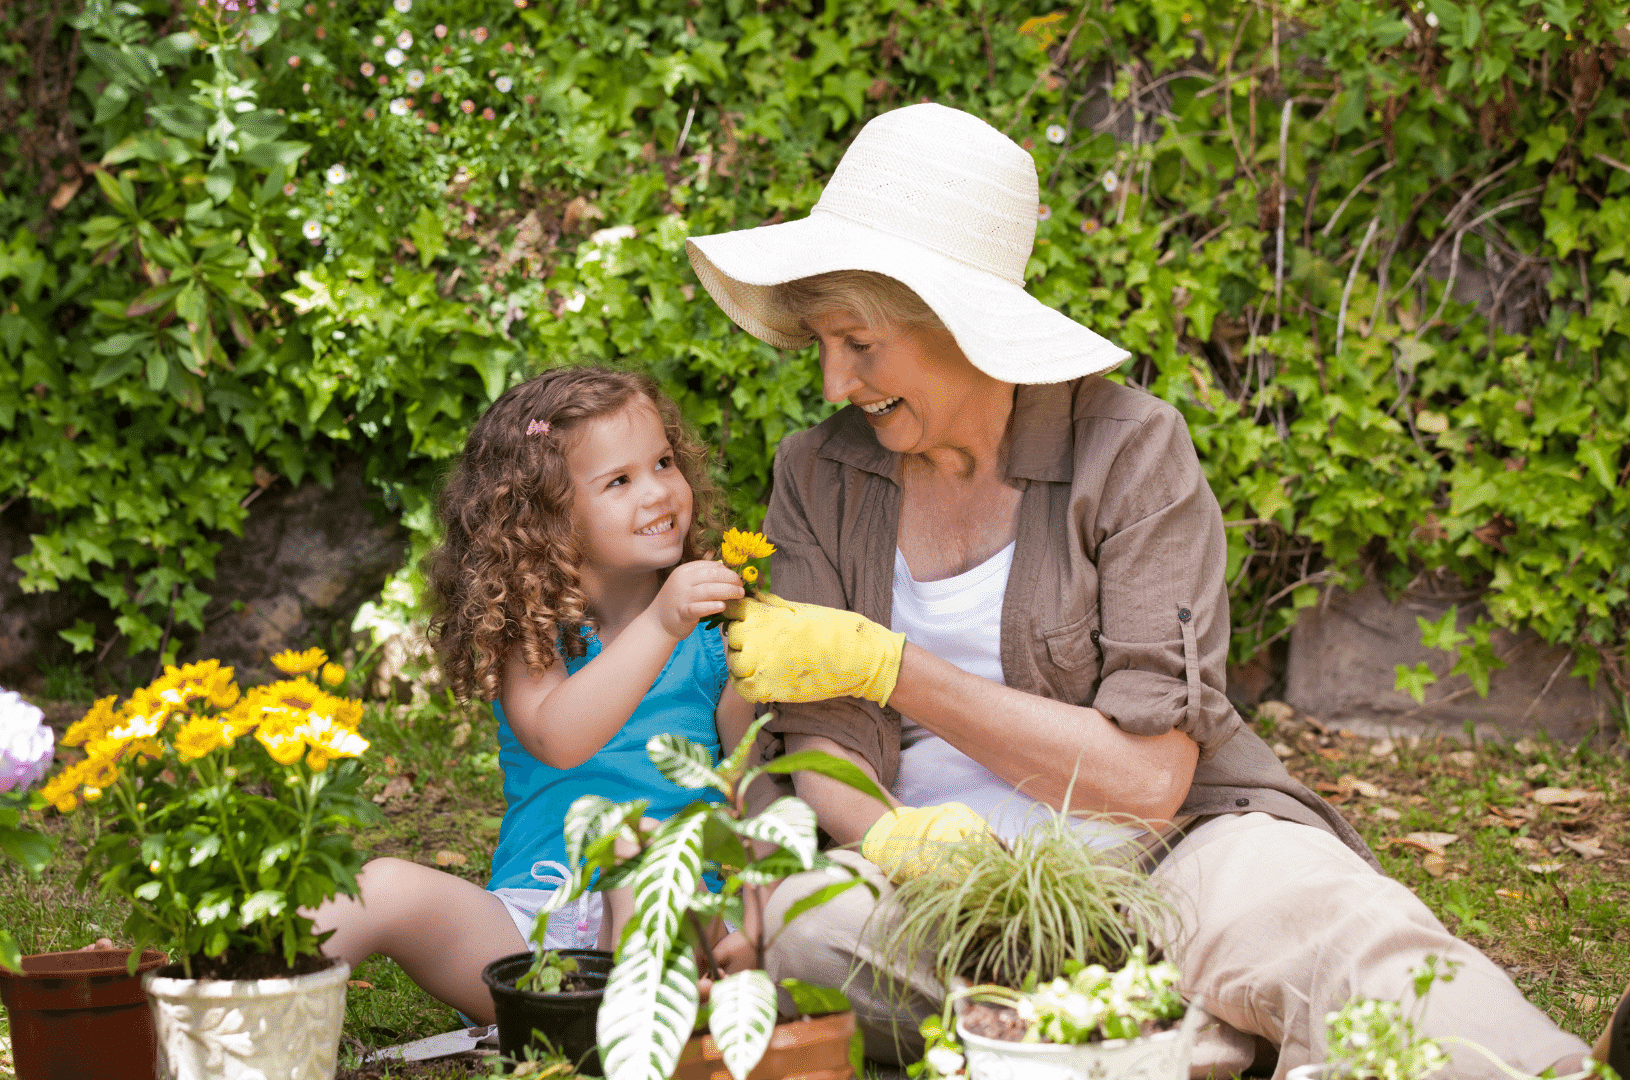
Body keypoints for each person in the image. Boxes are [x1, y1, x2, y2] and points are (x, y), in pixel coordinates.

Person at [685, 102, 1626, 1078]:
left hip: (1161, 856)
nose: (834, 381)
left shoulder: (1130, 451)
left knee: (1322, 911)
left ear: (959, 324)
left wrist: (896, 669)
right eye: (822, 344)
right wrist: (901, 843)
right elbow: (819, 742)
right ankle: (1183, 1027)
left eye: (859, 343)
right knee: (807, 929)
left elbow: (1146, 782)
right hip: (929, 899)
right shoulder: (819, 472)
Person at [305, 366, 755, 1024]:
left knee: (644, 853)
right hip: (527, 936)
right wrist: (662, 624)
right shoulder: (533, 632)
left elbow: (755, 786)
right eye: (619, 481)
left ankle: (628, 1043)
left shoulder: (718, 636)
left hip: (673, 918)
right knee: (378, 887)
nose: (658, 492)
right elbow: (559, 737)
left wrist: (751, 921)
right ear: (549, 515)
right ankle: (231, 1008)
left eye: (663, 462)